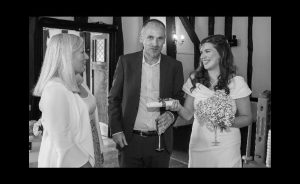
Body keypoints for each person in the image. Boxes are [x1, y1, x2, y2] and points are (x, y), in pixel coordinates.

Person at [108, 19, 184, 168]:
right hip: (130, 140)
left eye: (160, 38)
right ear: (141, 38)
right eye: (150, 37)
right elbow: (114, 99)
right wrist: (116, 130)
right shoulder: (125, 62)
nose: (155, 43)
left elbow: (178, 97)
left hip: (161, 141)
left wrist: (171, 115)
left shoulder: (175, 66)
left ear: (164, 41)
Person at [168, 35, 252, 167]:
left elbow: (247, 117)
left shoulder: (237, 83)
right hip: (199, 145)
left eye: (207, 51)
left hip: (227, 147)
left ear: (221, 53)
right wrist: (177, 107)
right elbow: (188, 114)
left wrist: (226, 121)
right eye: (201, 52)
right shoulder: (194, 80)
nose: (202, 56)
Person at [33, 33, 104, 167]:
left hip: (91, 150)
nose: (87, 57)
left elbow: (91, 120)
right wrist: (86, 164)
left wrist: (98, 149)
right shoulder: (54, 90)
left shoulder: (80, 82)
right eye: (82, 52)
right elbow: (64, 142)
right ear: (66, 56)